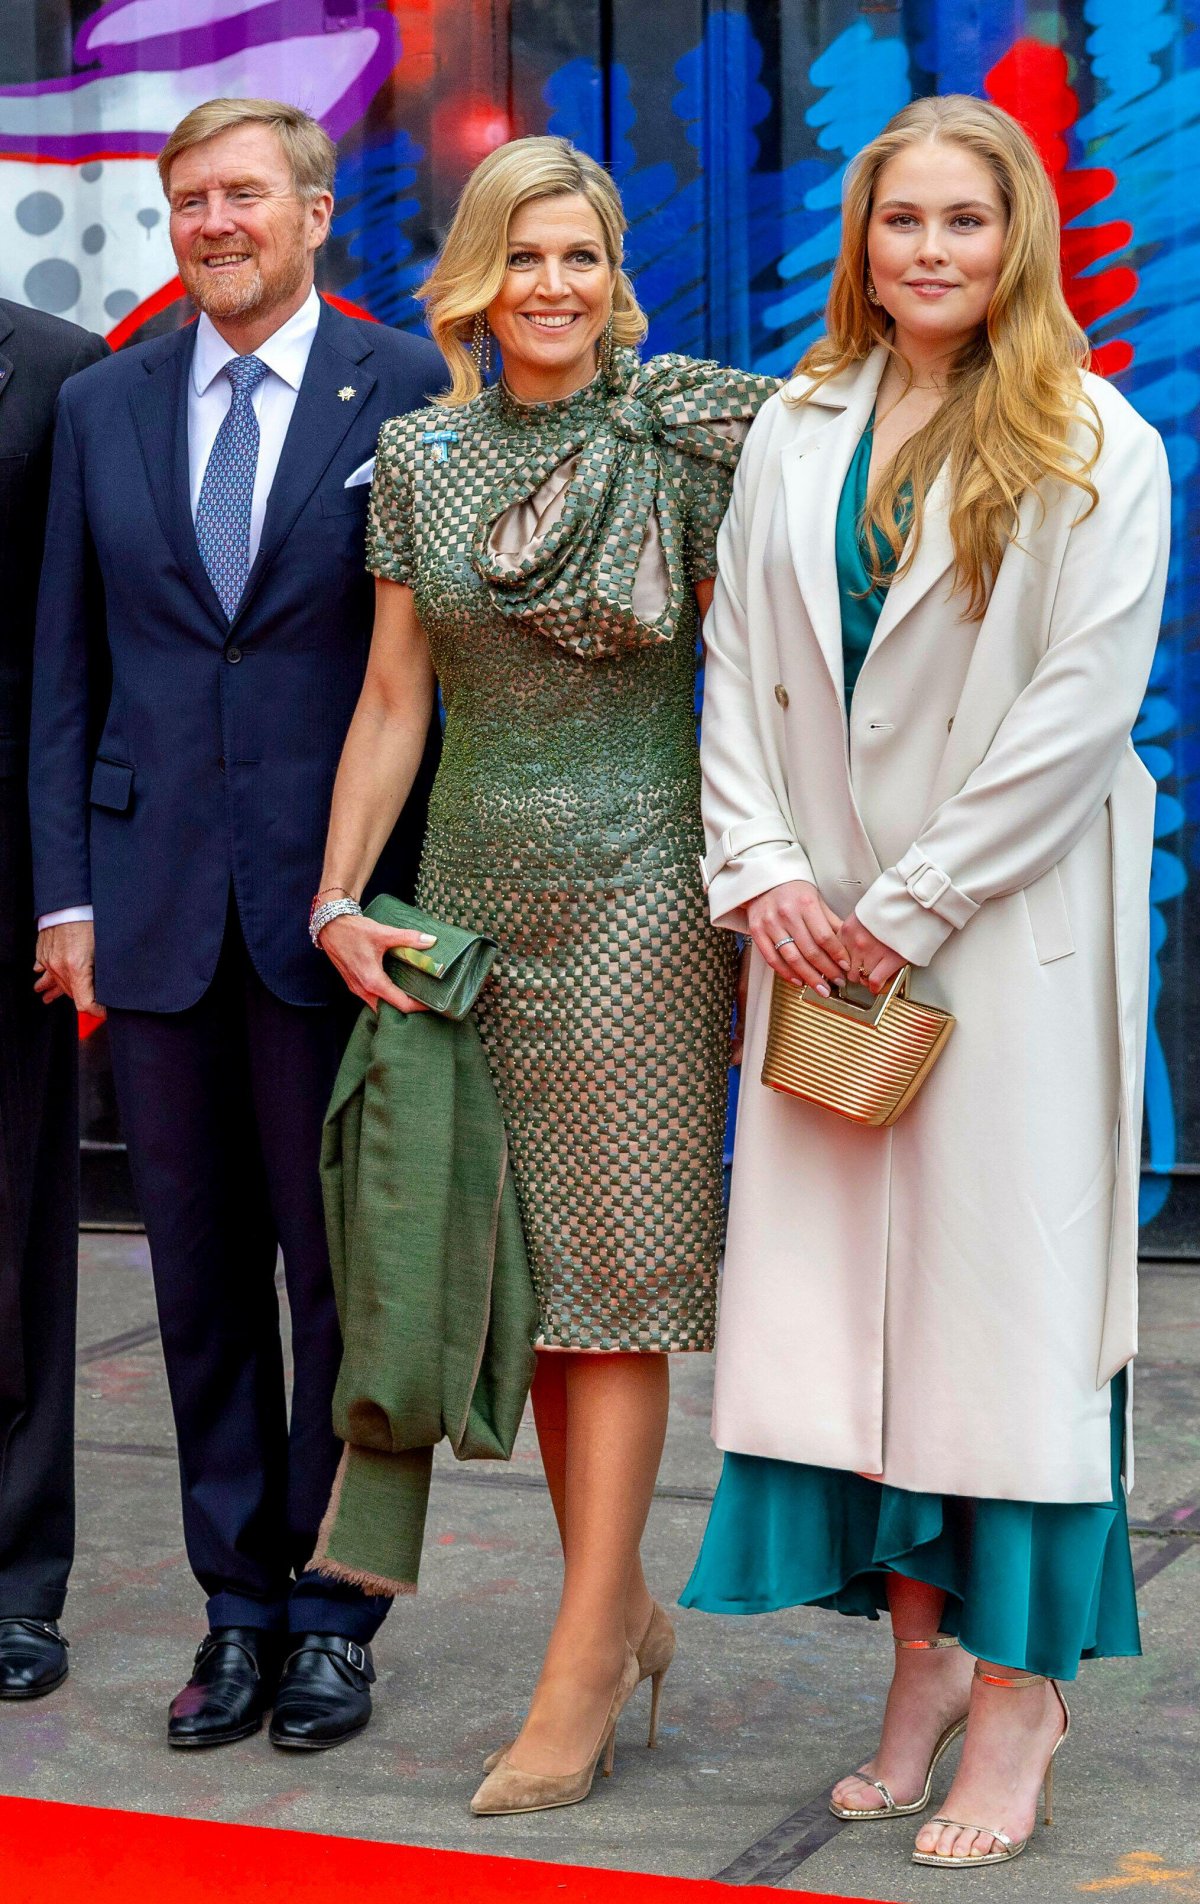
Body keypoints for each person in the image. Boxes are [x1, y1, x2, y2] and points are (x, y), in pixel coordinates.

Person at [682, 94, 1169, 1872]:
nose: (934, 252)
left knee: (1008, 1340)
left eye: (967, 221)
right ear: (863, 243)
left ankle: (1022, 1692)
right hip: (820, 942)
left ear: (1016, 235)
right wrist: (764, 876)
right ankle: (917, 1675)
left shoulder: (1096, 440)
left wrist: (907, 899)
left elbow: (1076, 718)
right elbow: (738, 668)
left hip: (1000, 947)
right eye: (904, 222)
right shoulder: (795, 427)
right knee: (857, 1346)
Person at [314, 134, 774, 1815]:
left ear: (615, 271)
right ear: (475, 283)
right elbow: (391, 700)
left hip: (650, 896)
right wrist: (338, 893)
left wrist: (768, 871)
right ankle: (622, 1609)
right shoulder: (421, 458)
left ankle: (580, 1669)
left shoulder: (681, 437)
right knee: (538, 1290)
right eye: (525, 258)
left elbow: (769, 666)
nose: (556, 287)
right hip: (477, 901)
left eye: (582, 256)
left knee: (620, 1281)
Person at [28, 97, 443, 1751]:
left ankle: (336, 1615)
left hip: (334, 914)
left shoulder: (403, 387)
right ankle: (237, 1610)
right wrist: (68, 895)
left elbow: (425, 679)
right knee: (198, 1282)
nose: (217, 222)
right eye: (191, 199)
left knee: (338, 1280)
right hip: (149, 913)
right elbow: (70, 669)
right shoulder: (105, 404)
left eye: (245, 195)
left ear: (316, 212)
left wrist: (408, 895)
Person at [0, 298, 107, 1700]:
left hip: (4, 864)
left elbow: (77, 652)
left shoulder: (60, 371)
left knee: (14, 1233)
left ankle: (16, 1578)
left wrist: (70, 882)